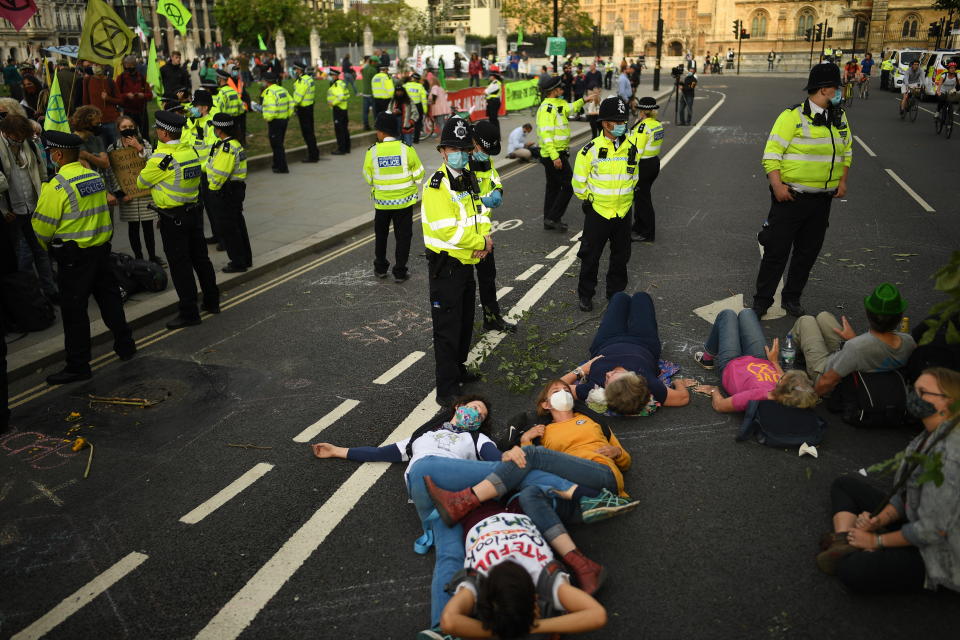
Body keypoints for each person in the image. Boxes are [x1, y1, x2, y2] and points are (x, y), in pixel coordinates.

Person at [817, 367, 960, 594]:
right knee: (844, 484)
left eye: (923, 392)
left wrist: (876, 542)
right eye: (914, 390)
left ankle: (864, 546)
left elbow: (932, 531)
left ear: (949, 403)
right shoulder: (930, 433)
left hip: (942, 551)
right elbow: (906, 492)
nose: (914, 398)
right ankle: (845, 541)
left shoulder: (952, 457)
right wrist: (880, 519)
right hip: (918, 518)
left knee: (853, 572)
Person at [32, 131, 135, 384]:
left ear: (57, 154)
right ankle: (126, 345)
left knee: (74, 312)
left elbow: (41, 229)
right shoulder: (94, 177)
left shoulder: (57, 186)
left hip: (74, 259)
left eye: (49, 153)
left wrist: (47, 246)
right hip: (101, 252)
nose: (49, 156)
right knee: (110, 302)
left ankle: (78, 366)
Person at [752, 63, 852, 319]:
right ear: (825, 89)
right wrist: (777, 187)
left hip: (822, 201)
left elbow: (846, 151)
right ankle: (762, 301)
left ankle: (792, 298)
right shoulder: (792, 117)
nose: (840, 92)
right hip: (791, 198)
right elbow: (771, 155)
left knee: (807, 254)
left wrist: (842, 181)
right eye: (836, 87)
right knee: (776, 251)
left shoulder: (839, 117)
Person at [436, 503, 608, 640]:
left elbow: (449, 622)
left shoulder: (479, 583)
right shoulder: (544, 578)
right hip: (516, 512)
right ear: (535, 597)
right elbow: (597, 615)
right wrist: (532, 627)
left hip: (479, 517)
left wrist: (505, 630)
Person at [421, 117, 492, 406]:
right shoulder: (437, 186)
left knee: (464, 322)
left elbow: (480, 213)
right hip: (446, 265)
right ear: (442, 151)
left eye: (465, 148)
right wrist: (479, 244)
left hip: (466, 261)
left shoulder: (469, 176)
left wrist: (485, 238)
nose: (461, 153)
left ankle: (459, 367)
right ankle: (446, 389)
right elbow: (446, 229)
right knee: (447, 328)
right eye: (455, 148)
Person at [136, 110, 219, 329]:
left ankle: (189, 312)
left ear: (163, 133)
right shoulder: (189, 151)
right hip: (193, 213)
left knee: (180, 267)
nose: (155, 132)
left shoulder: (160, 159)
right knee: (201, 260)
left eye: (157, 129)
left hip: (173, 220)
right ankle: (212, 301)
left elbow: (141, 182)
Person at [562, 291, 698, 412]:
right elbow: (683, 398)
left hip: (607, 341)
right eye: (615, 373)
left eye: (607, 380)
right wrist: (679, 383)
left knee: (619, 297)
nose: (608, 373)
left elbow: (554, 390)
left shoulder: (594, 388)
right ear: (637, 377)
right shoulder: (649, 383)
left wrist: (580, 370)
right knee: (641, 297)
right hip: (645, 343)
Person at [791, 283, 917, 396]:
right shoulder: (909, 341)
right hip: (854, 363)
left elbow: (826, 381)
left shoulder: (857, 347)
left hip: (831, 377)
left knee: (806, 321)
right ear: (899, 317)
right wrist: (854, 339)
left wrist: (810, 399)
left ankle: (798, 359)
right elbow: (873, 351)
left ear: (868, 314)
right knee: (824, 316)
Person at [572, 97, 638, 312]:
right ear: (604, 123)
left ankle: (615, 294)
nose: (621, 125)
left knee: (620, 257)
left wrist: (625, 199)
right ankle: (586, 295)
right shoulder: (589, 150)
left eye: (623, 121)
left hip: (623, 211)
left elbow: (634, 176)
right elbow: (578, 183)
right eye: (615, 122)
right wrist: (589, 201)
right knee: (590, 257)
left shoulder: (631, 147)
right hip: (599, 212)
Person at [693, 308, 819, 413]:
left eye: (782, 378)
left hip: (731, 365)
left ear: (780, 387)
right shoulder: (789, 395)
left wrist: (714, 390)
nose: (781, 375)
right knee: (747, 312)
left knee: (727, 315)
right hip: (761, 360)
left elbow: (720, 405)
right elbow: (784, 379)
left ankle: (707, 359)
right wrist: (774, 362)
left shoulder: (757, 396)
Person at [0, 114, 56, 304]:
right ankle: (31, 296)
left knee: (41, 251)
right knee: (22, 257)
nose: (19, 141)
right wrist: (3, 209)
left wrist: (43, 200)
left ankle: (50, 291)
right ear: (5, 133)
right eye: (16, 137)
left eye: (22, 137)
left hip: (33, 205)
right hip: (12, 211)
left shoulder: (29, 145)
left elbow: (41, 173)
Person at [363, 112, 423, 282]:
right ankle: (400, 271)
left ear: (381, 132)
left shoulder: (372, 152)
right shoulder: (407, 149)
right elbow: (419, 175)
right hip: (404, 203)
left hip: (382, 203)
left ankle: (380, 268)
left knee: (381, 236)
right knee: (403, 237)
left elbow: (368, 178)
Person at [469, 121, 514, 333]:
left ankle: (492, 317)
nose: (486, 155)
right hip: (465, 236)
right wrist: (483, 200)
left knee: (488, 278)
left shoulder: (485, 162)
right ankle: (462, 327)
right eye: (483, 149)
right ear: (473, 142)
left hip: (483, 233)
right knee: (464, 286)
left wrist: (497, 191)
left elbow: (494, 179)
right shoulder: (460, 164)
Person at [104, 115, 162, 266]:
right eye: (124, 127)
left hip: (145, 195)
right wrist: (120, 193)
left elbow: (153, 163)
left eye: (130, 126)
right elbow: (112, 173)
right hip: (128, 195)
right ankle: (139, 258)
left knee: (148, 227)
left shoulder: (144, 143)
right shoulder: (113, 148)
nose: (127, 130)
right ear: (118, 129)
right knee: (133, 228)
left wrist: (139, 148)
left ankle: (152, 256)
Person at [536, 74, 590, 233]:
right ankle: (553, 217)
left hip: (559, 153)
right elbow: (546, 134)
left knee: (553, 187)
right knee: (569, 186)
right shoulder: (546, 108)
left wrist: (585, 100)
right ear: (553, 90)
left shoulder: (559, 103)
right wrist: (555, 157)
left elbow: (570, 108)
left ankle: (549, 219)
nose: (563, 88)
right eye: (560, 86)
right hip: (554, 155)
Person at [205, 113, 251, 273]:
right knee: (238, 225)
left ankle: (238, 262)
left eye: (214, 128)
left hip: (225, 192)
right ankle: (245, 258)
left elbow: (219, 174)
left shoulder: (226, 148)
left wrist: (212, 191)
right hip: (234, 191)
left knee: (230, 229)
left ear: (219, 130)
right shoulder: (234, 143)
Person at [628, 96, 664, 244]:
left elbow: (637, 151)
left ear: (642, 111)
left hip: (643, 165)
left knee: (643, 200)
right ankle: (638, 227)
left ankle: (647, 233)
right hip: (653, 162)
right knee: (641, 197)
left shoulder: (643, 127)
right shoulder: (656, 124)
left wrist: (630, 170)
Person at [260, 72, 293, 173]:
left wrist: (268, 118)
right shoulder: (282, 89)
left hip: (275, 121)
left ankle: (282, 167)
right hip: (284, 120)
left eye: (264, 81)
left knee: (276, 145)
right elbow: (291, 102)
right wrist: (288, 115)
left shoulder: (269, 92)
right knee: (279, 143)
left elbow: (272, 108)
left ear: (267, 81)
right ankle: (276, 164)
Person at [116, 55, 153, 139]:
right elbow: (117, 96)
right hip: (128, 112)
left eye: (132, 65)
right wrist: (126, 95)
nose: (130, 68)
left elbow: (150, 95)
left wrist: (143, 95)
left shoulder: (142, 77)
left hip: (142, 111)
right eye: (128, 66)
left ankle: (146, 149)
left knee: (145, 135)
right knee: (130, 135)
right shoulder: (121, 78)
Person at [290, 62, 318, 162]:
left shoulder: (302, 81)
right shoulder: (309, 79)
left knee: (307, 134)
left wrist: (291, 107)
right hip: (309, 107)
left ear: (299, 70)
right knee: (311, 132)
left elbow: (297, 98)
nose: (295, 71)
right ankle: (315, 153)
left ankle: (312, 156)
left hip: (303, 110)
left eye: (296, 70)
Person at [322, 68, 349, 156]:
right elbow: (347, 95)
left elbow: (340, 97)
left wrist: (333, 103)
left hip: (338, 109)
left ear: (335, 76)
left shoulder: (337, 85)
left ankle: (341, 149)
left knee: (339, 129)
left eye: (331, 75)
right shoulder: (341, 83)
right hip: (343, 108)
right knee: (344, 129)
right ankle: (347, 147)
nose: (330, 77)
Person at [403, 72, 428, 143]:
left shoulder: (405, 85)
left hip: (407, 106)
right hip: (417, 106)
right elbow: (423, 100)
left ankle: (406, 139)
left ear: (412, 78)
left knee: (406, 121)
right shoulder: (420, 87)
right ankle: (416, 139)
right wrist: (425, 110)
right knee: (418, 123)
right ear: (418, 80)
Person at [360, 56, 377, 130]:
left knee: (365, 111)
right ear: (372, 62)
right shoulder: (373, 70)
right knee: (375, 111)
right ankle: (376, 124)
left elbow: (361, 71)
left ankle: (366, 125)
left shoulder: (364, 69)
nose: (376, 64)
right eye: (376, 62)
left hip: (365, 93)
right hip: (372, 93)